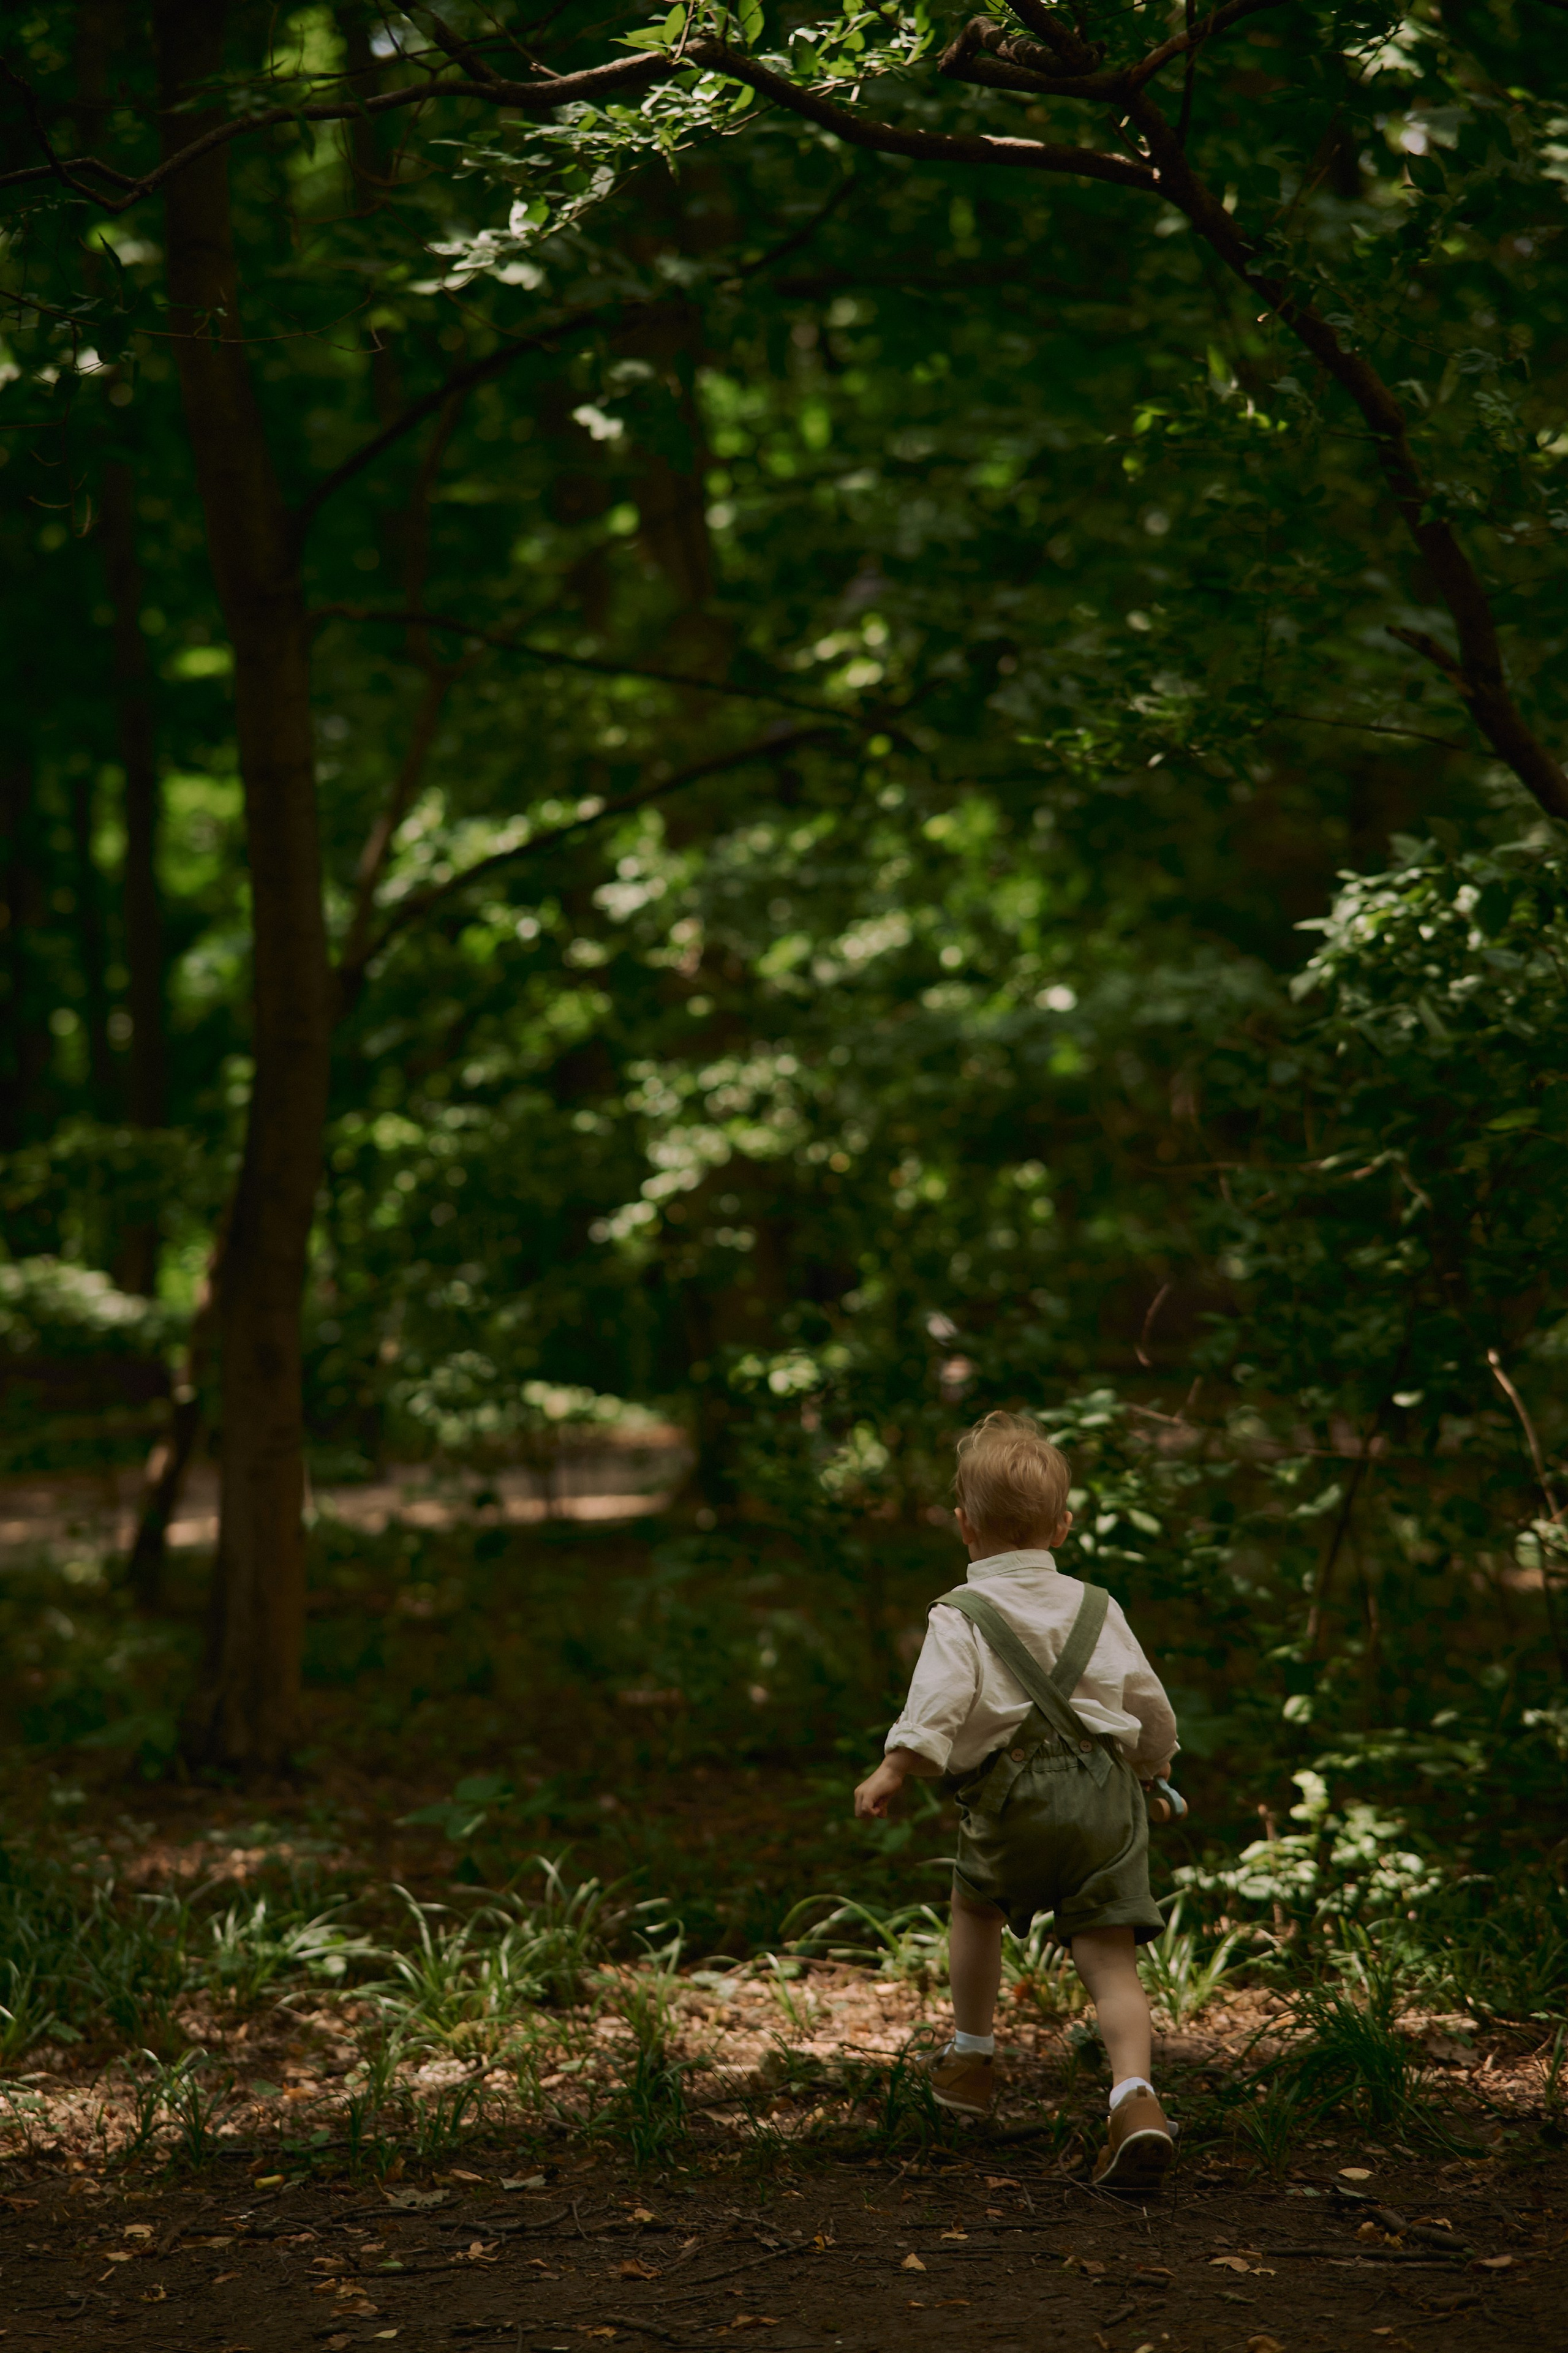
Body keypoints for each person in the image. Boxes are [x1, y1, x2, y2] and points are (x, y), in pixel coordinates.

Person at [853, 1410, 1180, 2186]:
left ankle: (971, 2057)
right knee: (1111, 1959)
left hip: (1010, 1803)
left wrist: (897, 1766)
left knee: (976, 1906)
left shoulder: (960, 1614)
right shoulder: (1098, 1606)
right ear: (1062, 1526)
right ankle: (1135, 2096)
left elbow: (937, 1702)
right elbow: (1149, 1702)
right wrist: (1154, 1770)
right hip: (1105, 1802)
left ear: (963, 1525)